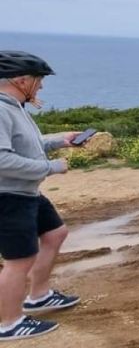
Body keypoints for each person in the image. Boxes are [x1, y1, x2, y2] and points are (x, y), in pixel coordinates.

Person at [0, 51, 83, 341]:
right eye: (39, 80)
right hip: (8, 197)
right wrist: (51, 168)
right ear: (21, 80)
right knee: (18, 260)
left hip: (26, 191)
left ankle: (39, 295)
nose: (41, 86)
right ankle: (8, 324)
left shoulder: (14, 106)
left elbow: (27, 147)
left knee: (55, 233)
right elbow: (1, 159)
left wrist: (62, 140)